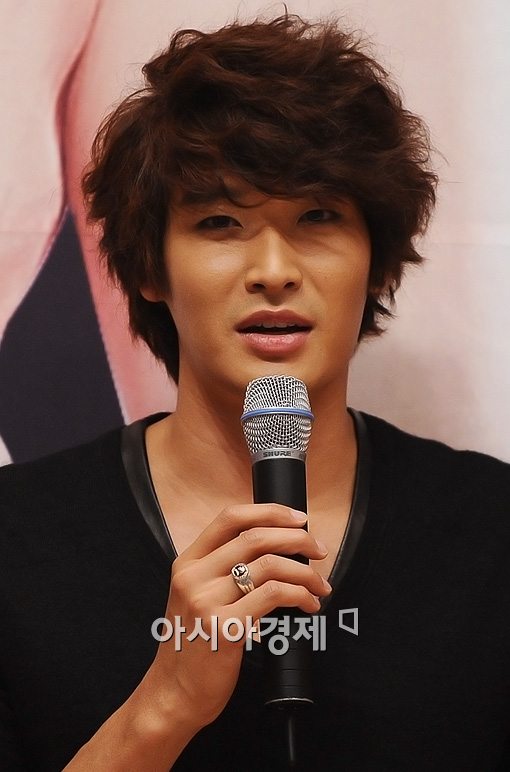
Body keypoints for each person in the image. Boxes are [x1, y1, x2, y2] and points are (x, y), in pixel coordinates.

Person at [0, 13, 509, 771]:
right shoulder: (20, 539)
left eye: (317, 216)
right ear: (150, 268)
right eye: (220, 221)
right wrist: (167, 703)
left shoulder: (488, 530)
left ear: (376, 261)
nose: (273, 270)